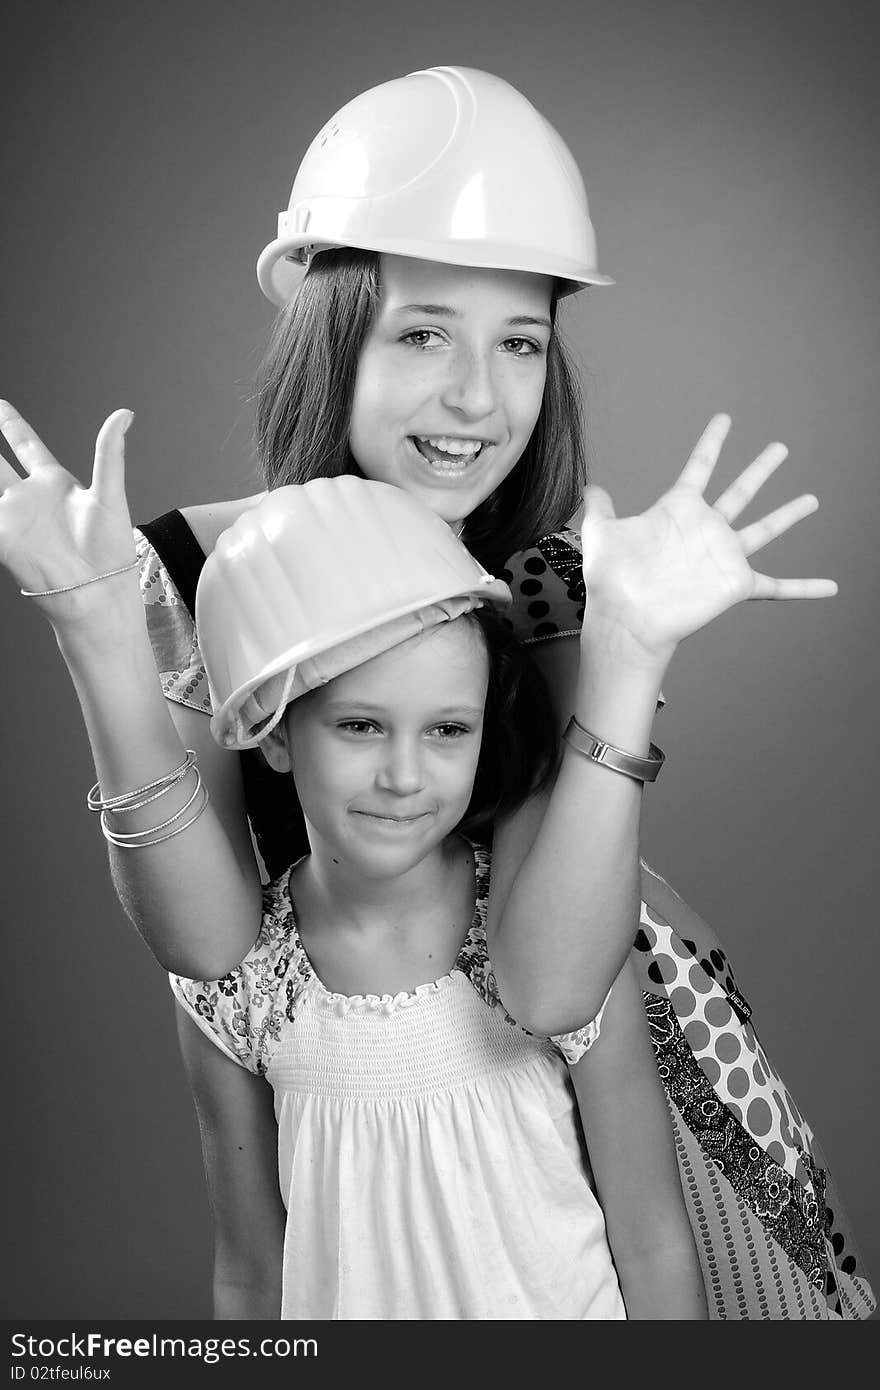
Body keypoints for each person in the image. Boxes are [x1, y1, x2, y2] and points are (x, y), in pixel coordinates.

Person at [0, 64, 873, 1319]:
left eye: (521, 340)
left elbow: (554, 979)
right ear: (326, 328)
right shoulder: (186, 570)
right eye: (423, 332)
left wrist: (625, 655)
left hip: (590, 1076)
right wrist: (96, 629)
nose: (477, 397)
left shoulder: (553, 577)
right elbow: (208, 943)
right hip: (328, 1088)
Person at [171, 474, 708, 1319]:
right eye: (360, 725)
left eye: (448, 729)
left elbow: (655, 1242)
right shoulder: (235, 989)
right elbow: (249, 1271)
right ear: (273, 736)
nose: (405, 776)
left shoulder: (553, 933)